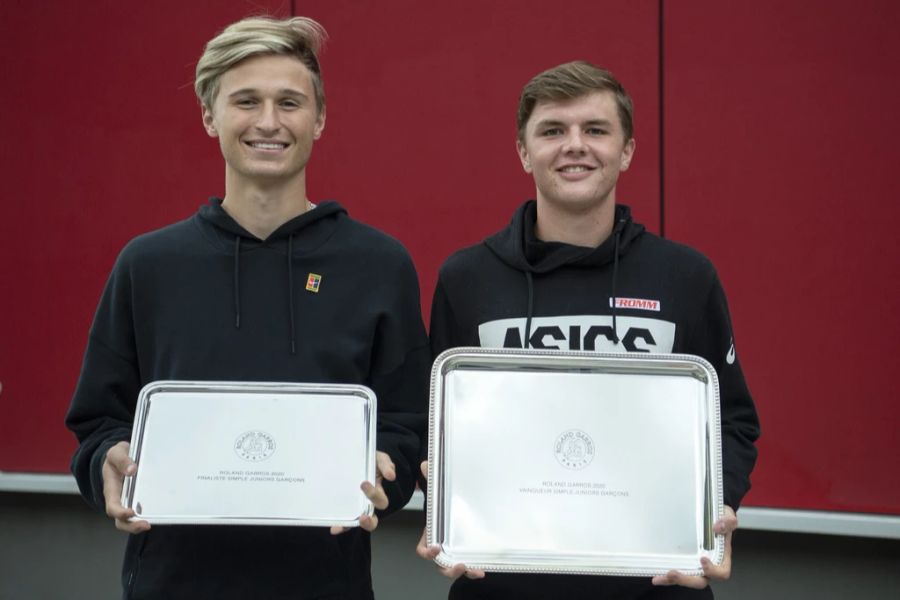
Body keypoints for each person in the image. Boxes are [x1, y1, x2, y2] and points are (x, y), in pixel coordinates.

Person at [65, 16, 429, 600]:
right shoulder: (149, 265)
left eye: (290, 102)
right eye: (245, 101)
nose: (268, 122)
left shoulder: (379, 265)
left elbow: (408, 424)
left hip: (325, 584)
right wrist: (106, 461)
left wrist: (388, 466)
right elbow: (97, 422)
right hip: (171, 583)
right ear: (210, 116)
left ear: (320, 119)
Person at [418, 61, 760, 599]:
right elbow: (435, 420)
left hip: (656, 579)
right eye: (553, 130)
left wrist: (719, 505)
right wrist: (447, 507)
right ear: (524, 152)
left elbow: (733, 421)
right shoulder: (468, 278)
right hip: (504, 581)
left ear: (626, 151)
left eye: (595, 130)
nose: (574, 145)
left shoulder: (686, 277)